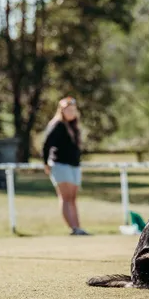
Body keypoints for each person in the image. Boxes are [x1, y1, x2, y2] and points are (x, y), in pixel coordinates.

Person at [42, 97, 89, 236]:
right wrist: (45, 163)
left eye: (73, 109)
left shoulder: (74, 125)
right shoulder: (57, 125)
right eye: (68, 109)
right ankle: (73, 228)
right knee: (66, 197)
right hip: (60, 165)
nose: (71, 112)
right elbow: (46, 144)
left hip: (74, 165)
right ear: (61, 111)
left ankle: (78, 227)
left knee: (73, 198)